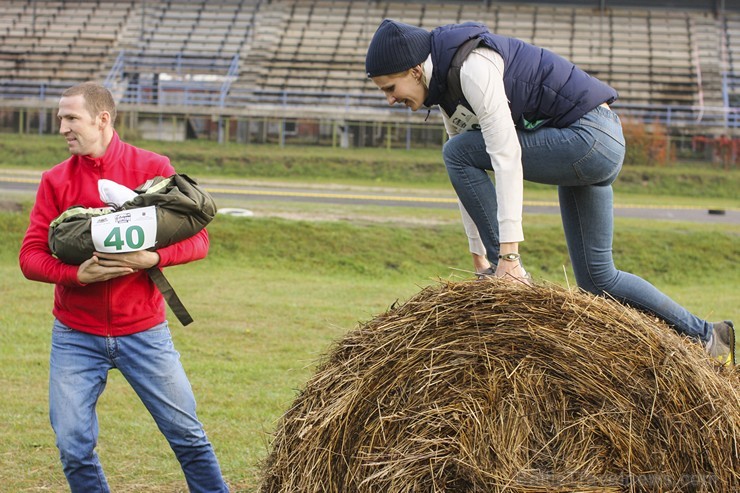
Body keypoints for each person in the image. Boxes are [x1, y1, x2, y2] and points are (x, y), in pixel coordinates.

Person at [365, 19, 736, 365]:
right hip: (592, 142)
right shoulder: (447, 88)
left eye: (390, 89)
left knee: (458, 152)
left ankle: (513, 278)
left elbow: (504, 154)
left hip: (590, 139)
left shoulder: (472, 68)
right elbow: (464, 174)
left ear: (415, 71)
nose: (390, 99)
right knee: (598, 279)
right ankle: (707, 335)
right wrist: (478, 255)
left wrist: (507, 259)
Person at [18, 82, 229, 492]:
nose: (62, 127)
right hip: (75, 336)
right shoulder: (55, 180)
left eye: (71, 118)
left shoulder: (151, 166)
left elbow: (198, 240)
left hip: (144, 332)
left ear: (103, 119)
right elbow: (29, 256)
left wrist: (153, 259)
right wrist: (75, 276)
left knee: (187, 436)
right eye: (60, 118)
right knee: (73, 446)